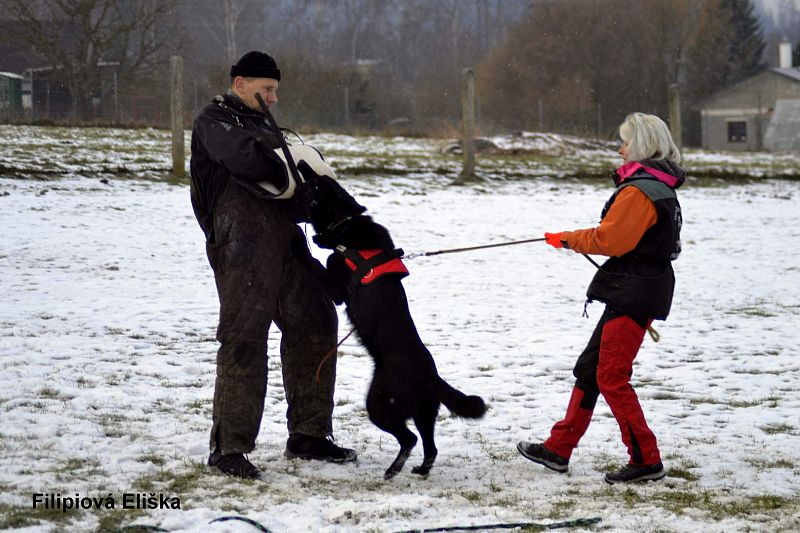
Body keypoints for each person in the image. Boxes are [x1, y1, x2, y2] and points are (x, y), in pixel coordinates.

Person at [189, 51, 356, 479]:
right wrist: (292, 168)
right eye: (267, 90)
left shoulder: (262, 123)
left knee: (317, 320)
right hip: (240, 245)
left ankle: (309, 435)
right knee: (245, 337)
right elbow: (251, 161)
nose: (273, 98)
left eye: (276, 90)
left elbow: (293, 189)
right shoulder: (215, 122)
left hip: (285, 241)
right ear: (240, 83)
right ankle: (229, 449)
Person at [518, 112, 685, 484]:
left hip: (635, 291)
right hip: (635, 287)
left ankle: (646, 459)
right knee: (591, 370)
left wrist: (566, 239)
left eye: (625, 141)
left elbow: (611, 240)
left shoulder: (640, 190)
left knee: (610, 376)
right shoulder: (655, 186)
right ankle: (558, 449)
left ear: (640, 146)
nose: (620, 148)